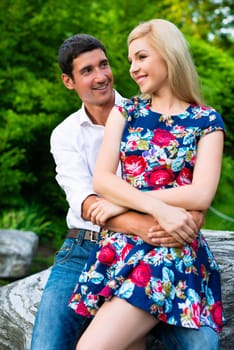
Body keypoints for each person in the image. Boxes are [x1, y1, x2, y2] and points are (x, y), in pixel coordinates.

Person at [30, 33, 220, 350]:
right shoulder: (65, 134)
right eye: (87, 71)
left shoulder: (145, 111)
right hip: (85, 245)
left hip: (158, 244)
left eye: (104, 64)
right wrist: (145, 222)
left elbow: (187, 189)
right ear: (68, 81)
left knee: (199, 341)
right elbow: (89, 202)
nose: (101, 76)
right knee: (47, 344)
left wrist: (175, 215)